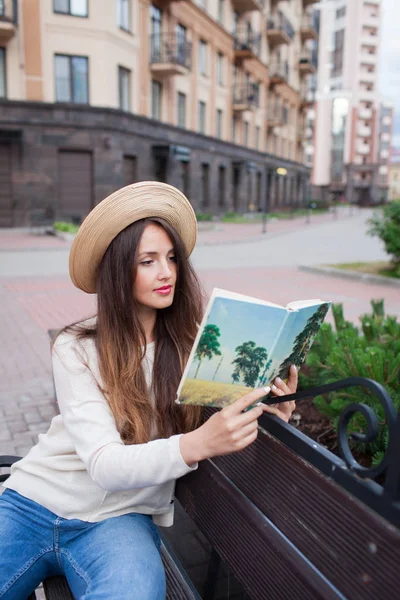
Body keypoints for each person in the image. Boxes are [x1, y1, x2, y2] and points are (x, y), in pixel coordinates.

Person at [0, 182, 297, 599]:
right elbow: (104, 464)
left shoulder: (198, 347)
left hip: (119, 521)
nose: (167, 272)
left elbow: (220, 426)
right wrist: (194, 444)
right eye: (148, 261)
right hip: (34, 502)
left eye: (172, 258)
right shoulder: (76, 348)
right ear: (118, 271)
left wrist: (271, 409)